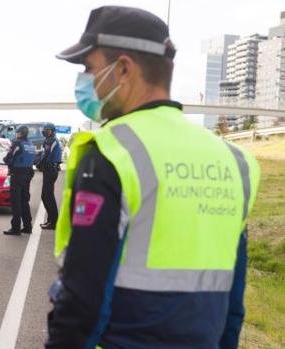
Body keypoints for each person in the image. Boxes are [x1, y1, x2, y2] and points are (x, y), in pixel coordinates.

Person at [46, 6, 260, 349]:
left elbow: (82, 296)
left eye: (89, 68)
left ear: (124, 69)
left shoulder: (112, 152)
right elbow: (234, 303)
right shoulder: (234, 161)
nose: (84, 80)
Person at [3, 125, 36, 235]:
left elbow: (9, 157)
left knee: (16, 202)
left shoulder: (17, 143)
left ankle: (15, 228)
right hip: (28, 174)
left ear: (20, 133)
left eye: (17, 132)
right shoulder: (31, 144)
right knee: (24, 201)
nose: (16, 134)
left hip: (17, 174)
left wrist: (7, 161)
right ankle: (28, 226)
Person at [37, 123, 62, 230]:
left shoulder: (50, 140)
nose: (45, 132)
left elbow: (46, 154)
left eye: (47, 130)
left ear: (52, 131)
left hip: (50, 170)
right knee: (46, 196)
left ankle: (54, 222)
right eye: (45, 130)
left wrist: (39, 164)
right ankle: (51, 220)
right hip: (51, 169)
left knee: (48, 197)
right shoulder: (53, 139)